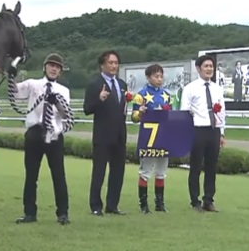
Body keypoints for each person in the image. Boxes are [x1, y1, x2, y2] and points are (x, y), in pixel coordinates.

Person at [11, 53, 73, 225]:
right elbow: (14, 92)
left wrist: (57, 103)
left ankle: (63, 213)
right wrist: (11, 74)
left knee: (58, 175)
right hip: (34, 133)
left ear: (60, 71)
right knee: (31, 175)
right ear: (45, 67)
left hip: (53, 135)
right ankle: (29, 213)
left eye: (57, 67)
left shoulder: (63, 91)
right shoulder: (33, 84)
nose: (54, 69)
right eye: (51, 65)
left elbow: (65, 115)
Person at [83, 50, 128, 216]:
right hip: (102, 136)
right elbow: (87, 109)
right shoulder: (95, 84)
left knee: (118, 172)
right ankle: (96, 205)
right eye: (110, 63)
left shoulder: (122, 85)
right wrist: (99, 99)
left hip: (119, 135)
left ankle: (112, 205)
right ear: (102, 65)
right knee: (99, 172)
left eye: (116, 63)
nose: (114, 66)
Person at [180, 55, 226, 212]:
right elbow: (184, 112)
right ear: (198, 69)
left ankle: (208, 200)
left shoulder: (217, 88)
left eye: (211, 66)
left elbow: (222, 112)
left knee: (211, 167)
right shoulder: (190, 88)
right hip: (197, 130)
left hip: (214, 130)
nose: (209, 69)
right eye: (206, 66)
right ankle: (195, 201)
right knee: (195, 166)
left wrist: (222, 133)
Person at [131, 64, 171, 214]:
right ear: (148, 77)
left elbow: (171, 116)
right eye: (156, 76)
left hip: (163, 137)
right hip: (148, 139)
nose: (159, 79)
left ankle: (159, 203)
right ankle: (143, 205)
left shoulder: (167, 95)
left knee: (161, 172)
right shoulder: (140, 95)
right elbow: (134, 118)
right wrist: (140, 112)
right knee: (145, 171)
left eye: (161, 76)